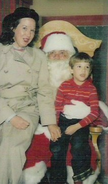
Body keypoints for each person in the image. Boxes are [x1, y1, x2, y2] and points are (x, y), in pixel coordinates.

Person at [0, 7, 61, 184]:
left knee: (10, 148)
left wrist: (50, 122)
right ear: (13, 28)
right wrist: (10, 117)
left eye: (32, 30)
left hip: (26, 109)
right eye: (24, 28)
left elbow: (44, 91)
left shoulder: (39, 56)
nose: (28, 34)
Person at [50, 52, 99, 184]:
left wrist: (77, 126)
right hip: (64, 121)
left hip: (80, 123)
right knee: (57, 147)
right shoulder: (64, 86)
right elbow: (57, 108)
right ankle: (57, 180)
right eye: (79, 66)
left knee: (78, 144)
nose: (83, 70)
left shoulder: (91, 89)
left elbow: (94, 113)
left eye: (87, 67)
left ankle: (80, 176)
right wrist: (54, 126)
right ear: (71, 69)